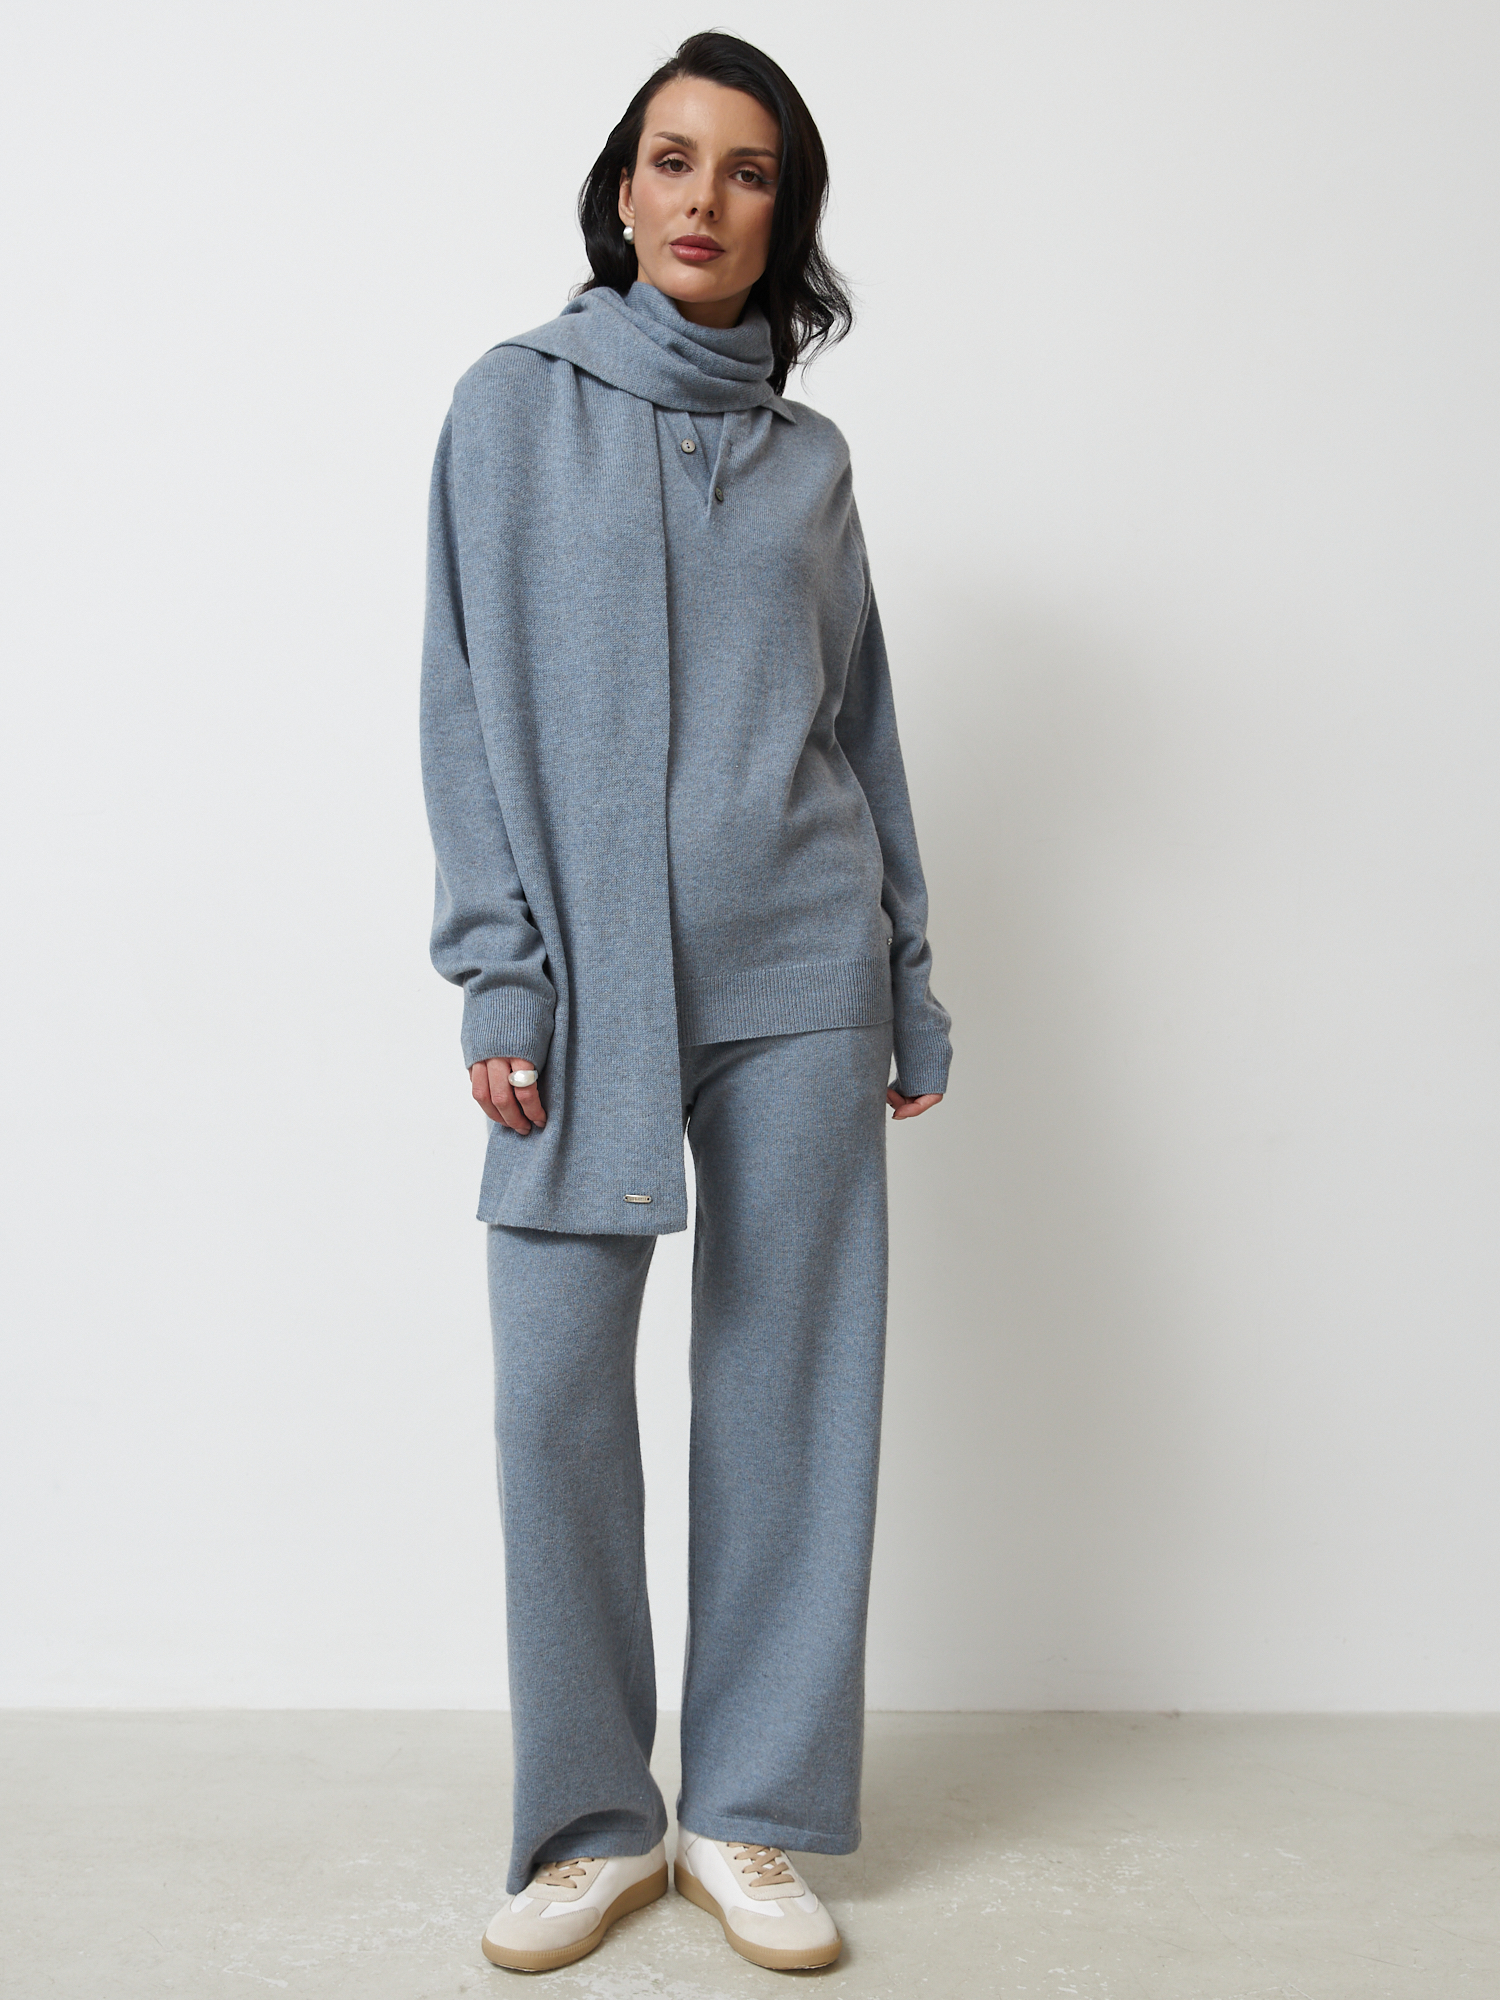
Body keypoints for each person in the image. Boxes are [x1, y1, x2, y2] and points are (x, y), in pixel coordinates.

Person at [420, 29, 952, 1976]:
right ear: (623, 188)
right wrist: (503, 966)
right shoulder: (512, 406)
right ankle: (588, 1821)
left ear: (781, 214)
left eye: (747, 170)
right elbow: (462, 703)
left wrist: (905, 980)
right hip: (587, 982)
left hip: (803, 964)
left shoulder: (813, 463)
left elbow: (860, 730)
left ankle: (749, 1813)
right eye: (672, 158)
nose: (704, 197)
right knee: (555, 1392)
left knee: (793, 1388)